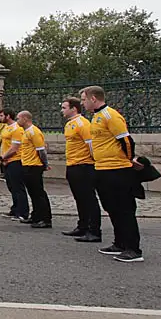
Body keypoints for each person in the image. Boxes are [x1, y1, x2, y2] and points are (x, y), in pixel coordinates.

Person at [80, 86, 145, 262]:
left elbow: (125, 140)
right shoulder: (95, 117)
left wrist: (129, 160)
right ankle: (120, 243)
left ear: (93, 98)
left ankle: (133, 249)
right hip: (101, 168)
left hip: (117, 169)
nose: (82, 103)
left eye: (84, 99)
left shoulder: (111, 115)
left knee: (124, 209)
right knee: (112, 208)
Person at [61, 97, 102, 242]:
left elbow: (91, 144)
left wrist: (93, 161)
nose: (62, 110)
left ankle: (94, 230)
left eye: (64, 107)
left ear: (74, 108)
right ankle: (82, 225)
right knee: (79, 198)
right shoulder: (69, 124)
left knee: (88, 198)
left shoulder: (82, 123)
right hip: (72, 164)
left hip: (83, 165)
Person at [17, 111, 52, 228]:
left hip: (34, 166)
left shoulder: (34, 131)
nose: (17, 121)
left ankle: (45, 219)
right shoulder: (25, 132)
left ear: (25, 119)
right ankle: (36, 216)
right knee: (32, 193)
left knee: (39, 193)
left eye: (18, 119)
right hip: (26, 165)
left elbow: (41, 150)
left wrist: (45, 164)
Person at [0, 108, 29, 220]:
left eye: (1, 115)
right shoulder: (6, 127)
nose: (0, 118)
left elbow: (15, 148)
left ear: (8, 116)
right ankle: (15, 208)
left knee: (18, 187)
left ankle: (23, 212)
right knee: (11, 186)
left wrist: (4, 156)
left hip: (15, 160)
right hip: (6, 161)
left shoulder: (17, 129)